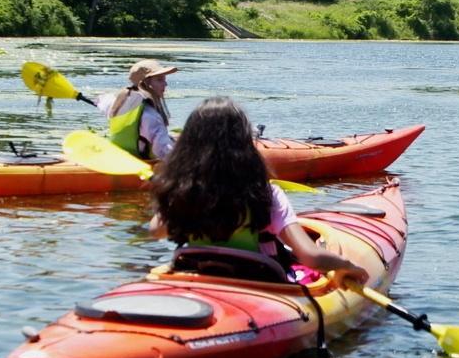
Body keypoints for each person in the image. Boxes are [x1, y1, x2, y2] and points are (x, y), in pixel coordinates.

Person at [148, 97, 369, 290]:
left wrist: (179, 199)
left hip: (197, 273)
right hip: (253, 279)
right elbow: (310, 257)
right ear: (243, 144)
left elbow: (156, 231)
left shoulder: (183, 191)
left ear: (188, 144)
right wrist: (348, 266)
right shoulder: (265, 192)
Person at [101, 59, 177, 160]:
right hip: (139, 162)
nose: (165, 84)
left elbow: (102, 102)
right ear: (145, 84)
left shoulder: (117, 102)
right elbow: (162, 151)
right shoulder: (151, 116)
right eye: (159, 80)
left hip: (119, 157)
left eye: (164, 79)